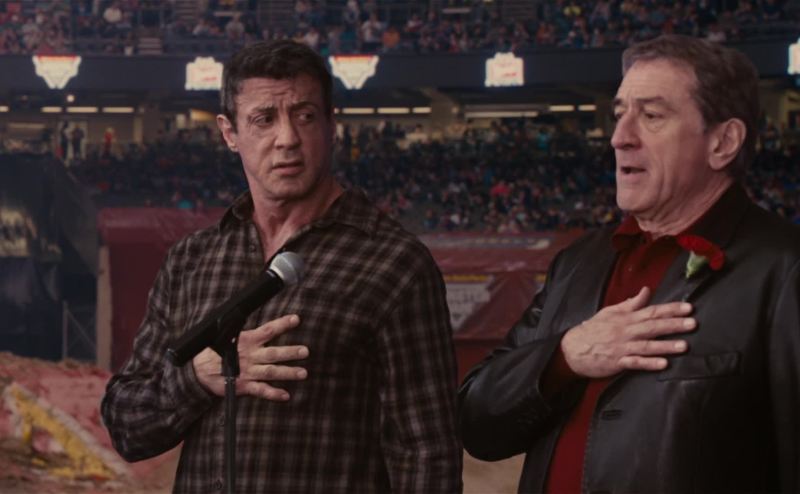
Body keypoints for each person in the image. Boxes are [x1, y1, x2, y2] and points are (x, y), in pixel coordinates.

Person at [101, 40, 462, 492]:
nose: (287, 138)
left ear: (331, 125)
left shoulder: (395, 264)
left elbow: (427, 453)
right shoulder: (192, 260)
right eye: (264, 119)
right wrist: (197, 379)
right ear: (229, 133)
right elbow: (126, 424)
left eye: (305, 116)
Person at [459, 34, 800, 493]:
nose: (620, 137)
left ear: (723, 142)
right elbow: (476, 422)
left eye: (652, 116)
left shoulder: (785, 269)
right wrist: (565, 357)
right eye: (620, 114)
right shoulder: (578, 263)